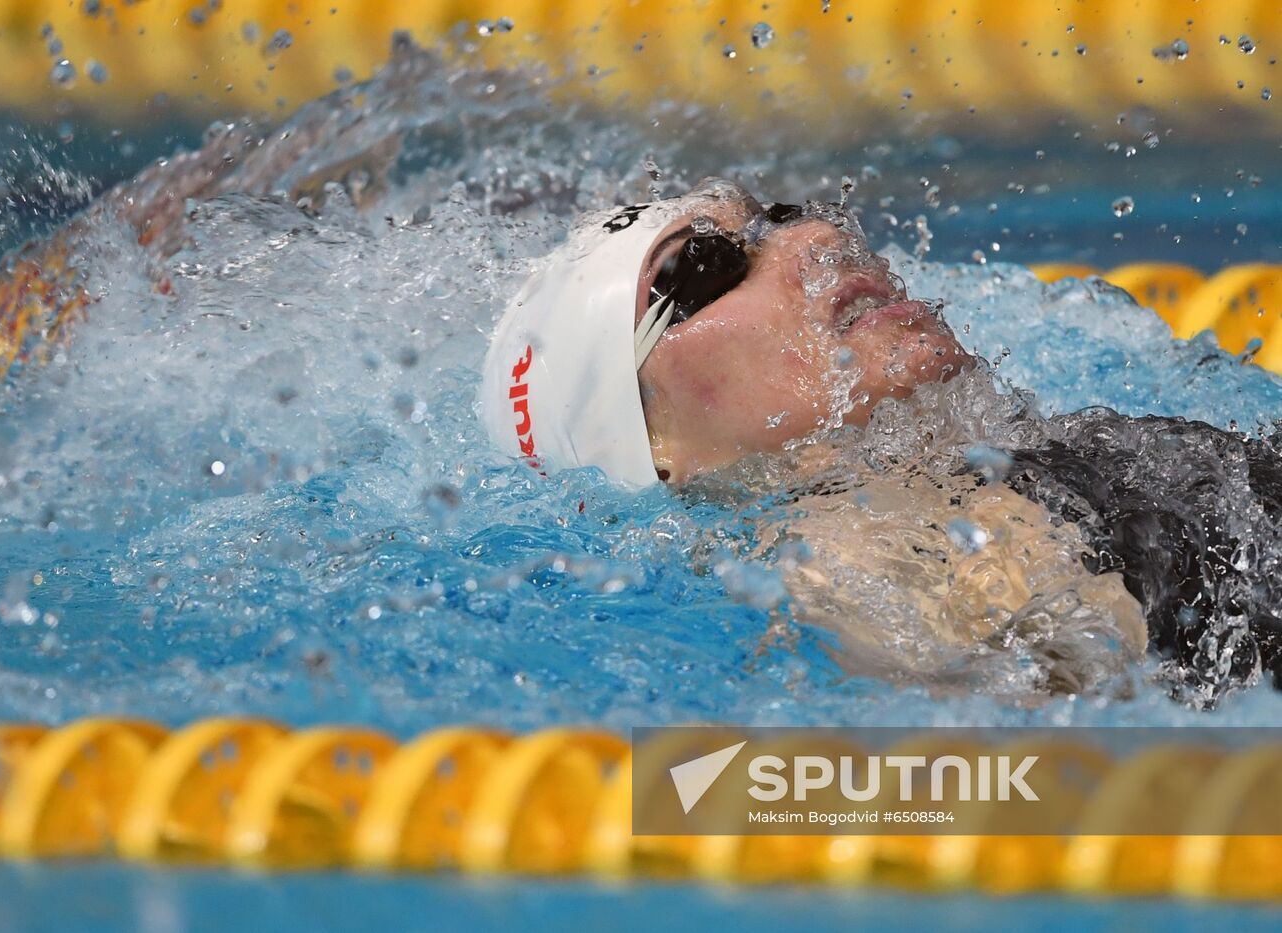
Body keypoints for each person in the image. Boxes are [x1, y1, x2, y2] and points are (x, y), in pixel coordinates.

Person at [480, 179, 1282, 706]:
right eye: (702, 268)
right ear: (651, 450)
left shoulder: (986, 468)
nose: (815, 239)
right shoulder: (849, 543)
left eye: (783, 212)